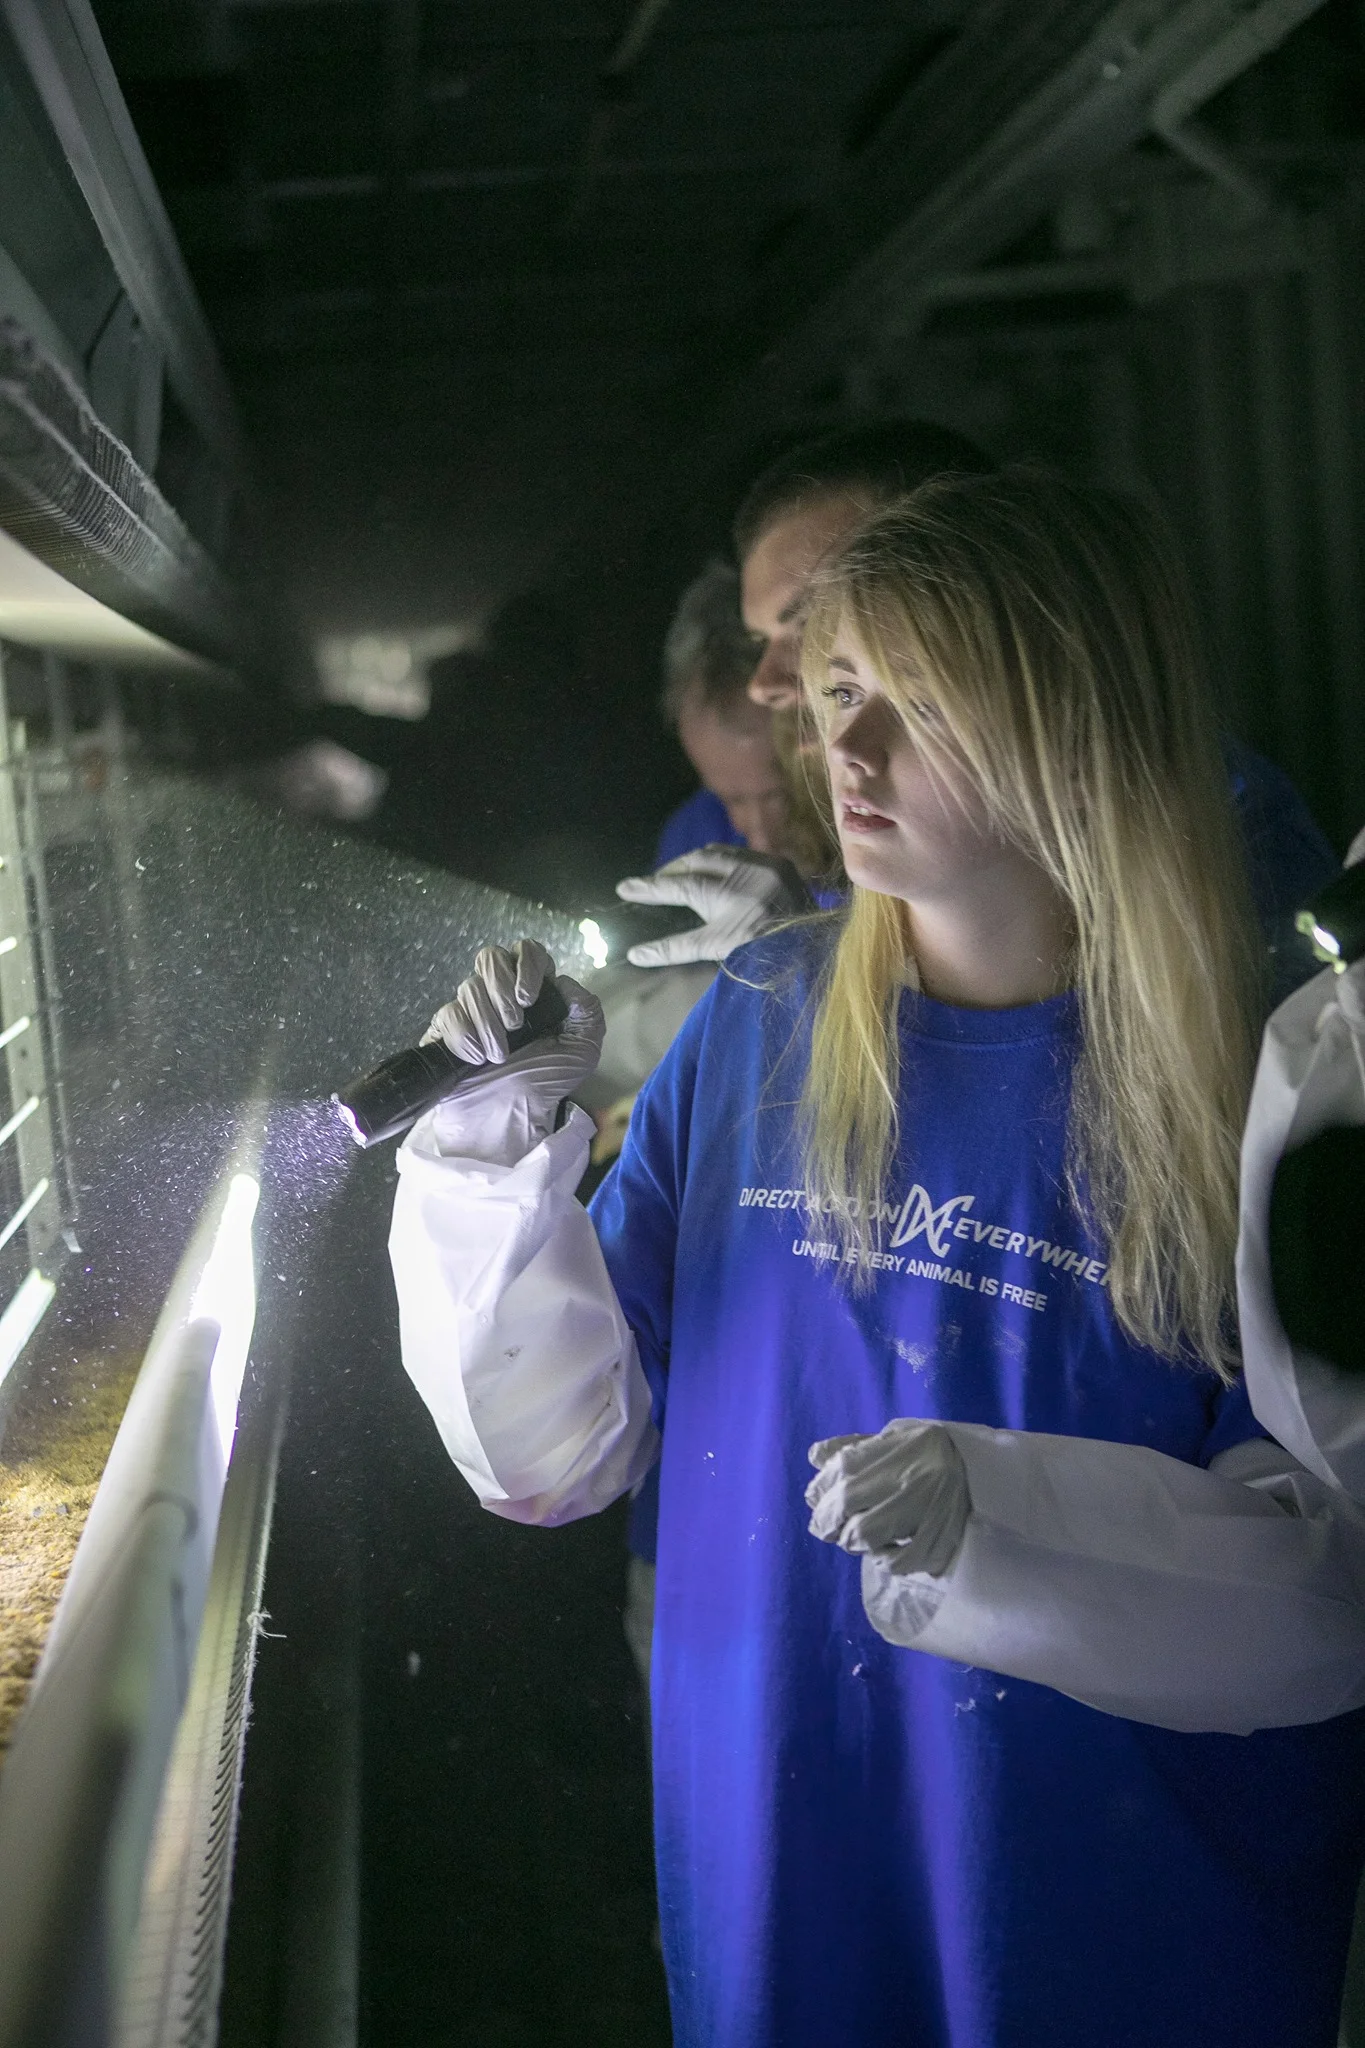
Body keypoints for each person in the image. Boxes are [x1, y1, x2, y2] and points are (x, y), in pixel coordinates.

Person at [389, 469, 1365, 2048]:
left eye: (920, 702)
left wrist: (1012, 1522)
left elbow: (1331, 1585)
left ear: (1073, 725)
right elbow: (556, 1457)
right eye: (843, 692)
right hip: (782, 1862)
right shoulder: (763, 1023)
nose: (846, 751)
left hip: (1112, 1917)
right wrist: (491, 1165)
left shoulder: (1268, 1071)